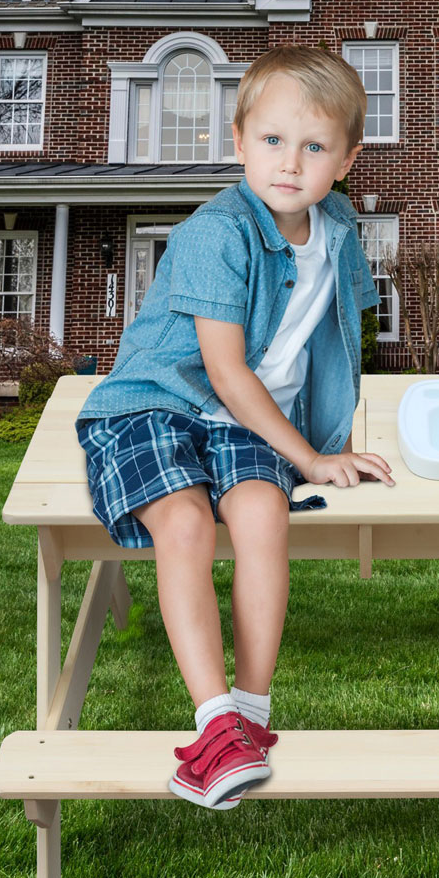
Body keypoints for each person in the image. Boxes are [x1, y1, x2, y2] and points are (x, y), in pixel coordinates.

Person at [75, 45, 395, 810]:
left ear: (348, 159)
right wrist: (313, 458)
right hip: (155, 407)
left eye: (314, 147)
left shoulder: (339, 228)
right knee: (184, 523)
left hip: (247, 425)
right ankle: (212, 722)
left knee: (261, 513)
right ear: (238, 140)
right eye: (272, 141)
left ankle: (251, 714)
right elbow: (224, 373)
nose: (291, 164)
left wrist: (335, 438)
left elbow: (336, 336)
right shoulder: (217, 233)